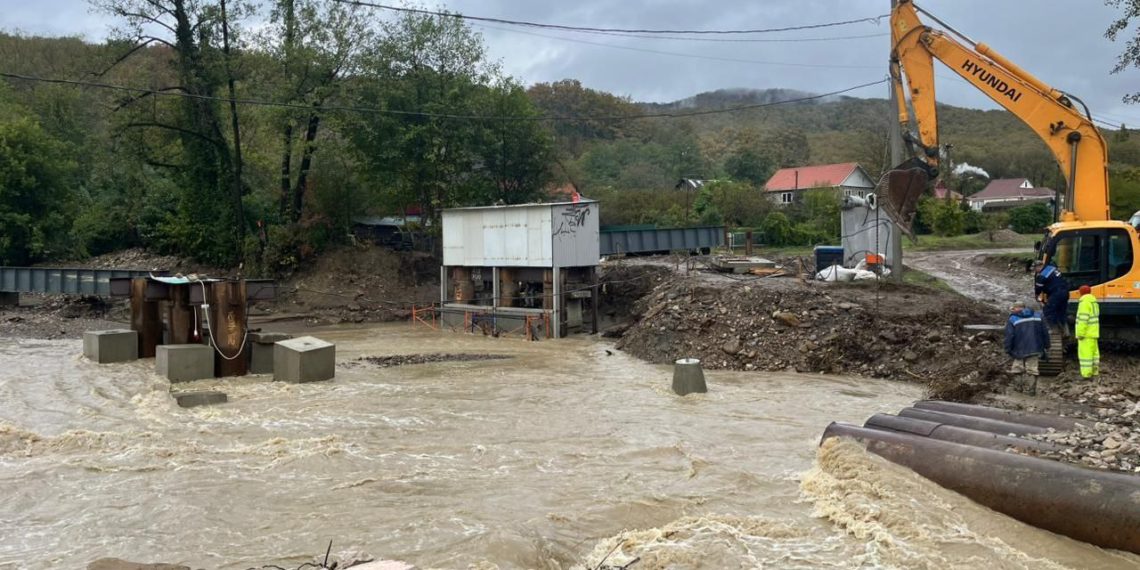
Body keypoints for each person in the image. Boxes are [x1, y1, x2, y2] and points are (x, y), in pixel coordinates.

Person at [1004, 300, 1050, 395]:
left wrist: (1008, 349)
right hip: (1035, 347)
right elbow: (1044, 332)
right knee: (1032, 368)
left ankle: (1018, 388)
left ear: (1016, 308)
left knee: (1017, 368)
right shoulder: (1037, 316)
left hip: (1018, 349)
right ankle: (1031, 390)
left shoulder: (1013, 319)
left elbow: (1009, 336)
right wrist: (1046, 345)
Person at [1035, 261, 1071, 333]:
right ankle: (1066, 331)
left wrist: (1037, 296)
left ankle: (1054, 329)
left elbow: (1038, 289)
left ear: (1038, 267)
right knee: (1061, 312)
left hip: (1056, 293)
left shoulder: (1042, 275)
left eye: (1035, 268)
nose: (1035, 271)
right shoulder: (1053, 268)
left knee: (1048, 310)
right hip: (1065, 292)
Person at [1075, 284, 1101, 379]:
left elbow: (1083, 320)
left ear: (1081, 293)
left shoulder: (1084, 303)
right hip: (1093, 332)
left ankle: (1086, 375)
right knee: (1094, 354)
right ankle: (1095, 372)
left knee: (1085, 355)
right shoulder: (1093, 302)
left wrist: (1080, 333)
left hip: (1086, 334)